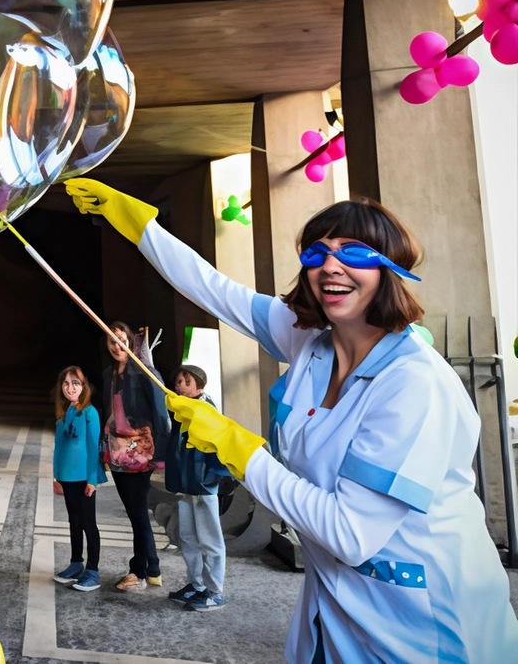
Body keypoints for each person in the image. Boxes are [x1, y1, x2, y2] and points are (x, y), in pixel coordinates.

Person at [67, 178, 518, 661]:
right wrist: (142, 228)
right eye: (316, 254)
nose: (330, 267)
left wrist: (239, 450)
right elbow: (215, 290)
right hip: (335, 606)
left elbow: (349, 532)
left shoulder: (415, 384)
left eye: (355, 253)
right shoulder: (311, 342)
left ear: (392, 268)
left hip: (426, 622)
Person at [99, 320, 169, 591]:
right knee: (134, 513)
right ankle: (150, 566)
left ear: (129, 340)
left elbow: (161, 412)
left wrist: (160, 453)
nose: (116, 345)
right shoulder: (109, 374)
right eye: (111, 340)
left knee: (138, 513)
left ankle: (141, 569)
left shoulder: (143, 371)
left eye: (120, 339)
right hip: (117, 453)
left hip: (140, 452)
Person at [164, 364, 227, 612]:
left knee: (210, 539)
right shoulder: (184, 411)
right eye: (178, 382)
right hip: (187, 484)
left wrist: (206, 478)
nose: (180, 386)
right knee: (188, 537)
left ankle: (214, 592)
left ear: (200, 385)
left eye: (186, 382)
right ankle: (196, 585)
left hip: (203, 485)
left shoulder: (205, 409)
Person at [51, 365, 105, 592]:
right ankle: (76, 563)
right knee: (74, 520)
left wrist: (92, 480)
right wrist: (56, 476)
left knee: (88, 523)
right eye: (66, 383)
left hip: (84, 478)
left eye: (75, 383)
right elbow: (59, 448)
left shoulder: (90, 413)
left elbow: (94, 449)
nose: (70, 387)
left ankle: (93, 570)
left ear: (83, 387)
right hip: (67, 477)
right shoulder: (67, 412)